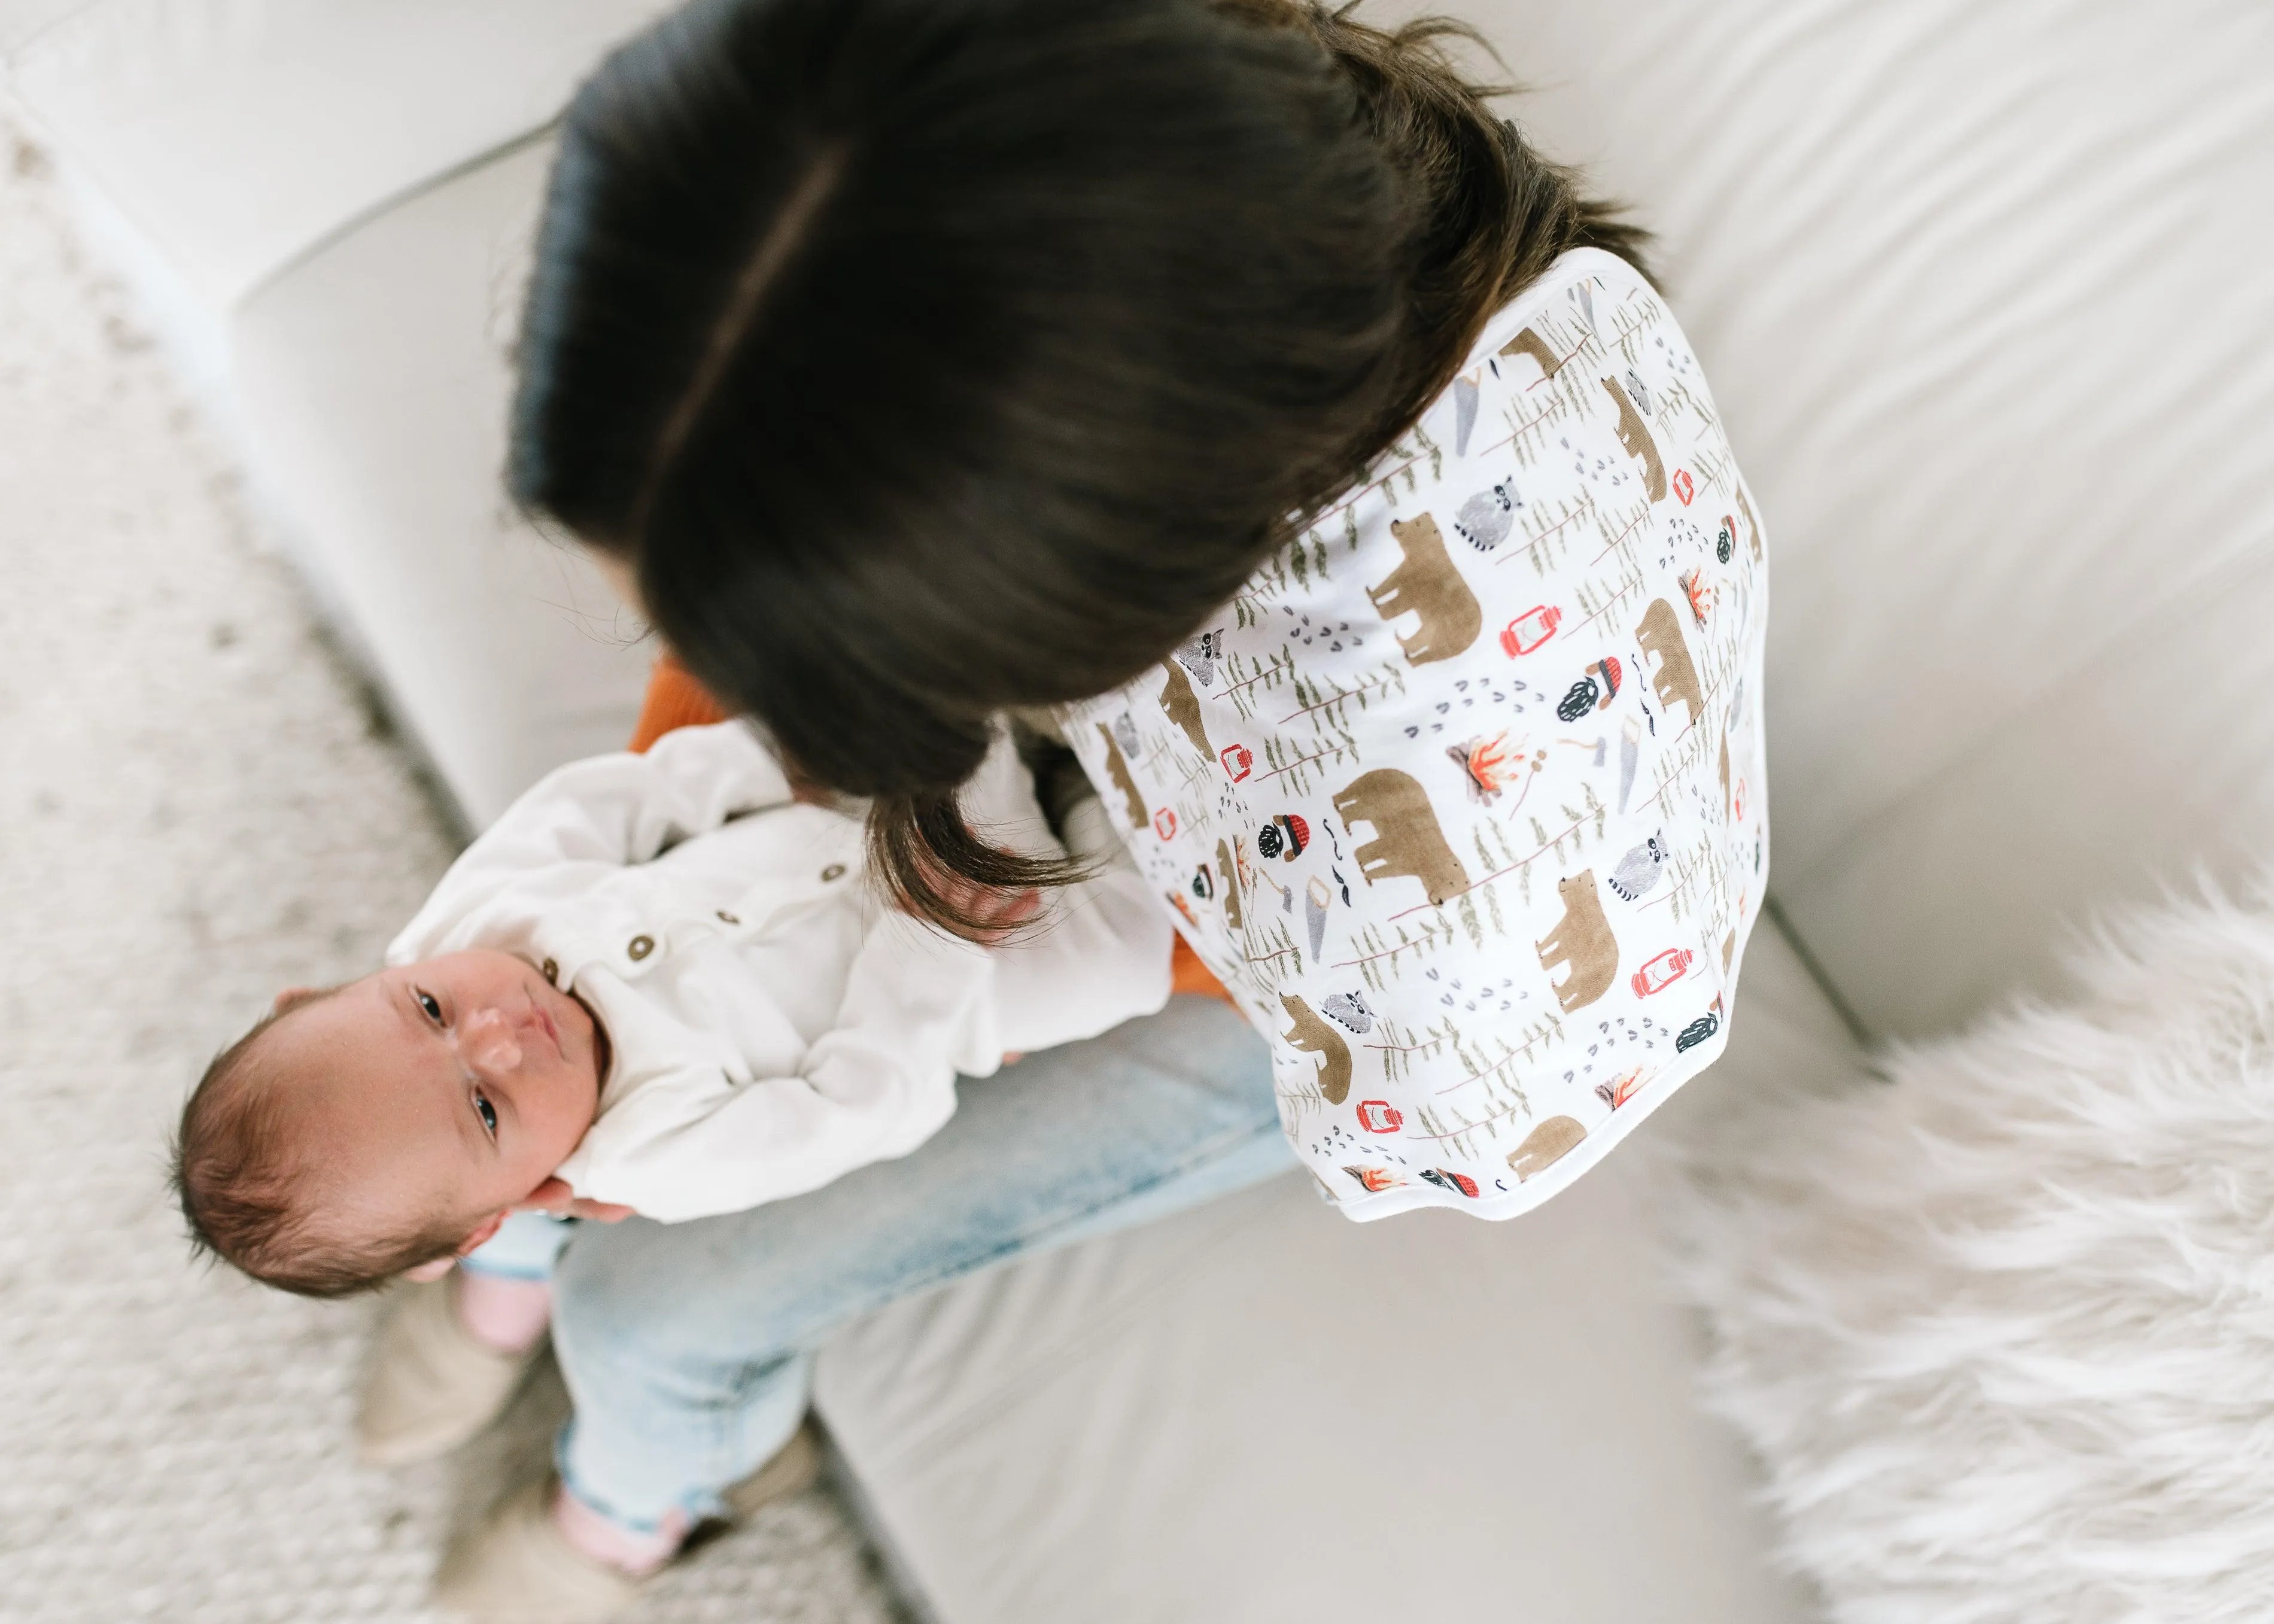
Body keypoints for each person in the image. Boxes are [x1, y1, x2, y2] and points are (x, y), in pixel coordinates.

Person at [366, 0, 1685, 1617]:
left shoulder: (1394, 812)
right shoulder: (1078, 127)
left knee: (656, 1305)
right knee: (576, 974)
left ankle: (632, 1510)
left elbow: (1121, 947)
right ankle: (501, 1242)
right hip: (1172, 748)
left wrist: (865, 989)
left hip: (1279, 973)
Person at [171, 719, 1169, 1296]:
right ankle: (1100, 792)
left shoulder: (467, 919)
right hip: (964, 950)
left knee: (930, 707)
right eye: (485, 1109)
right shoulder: (661, 1154)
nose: (498, 1035)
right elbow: (866, 1105)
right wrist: (929, 939)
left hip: (856, 805)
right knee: (1120, 963)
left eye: (429, 1008)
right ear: (494, 1224)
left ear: (337, 987)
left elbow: (612, 803)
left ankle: (1023, 731)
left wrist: (768, 759)